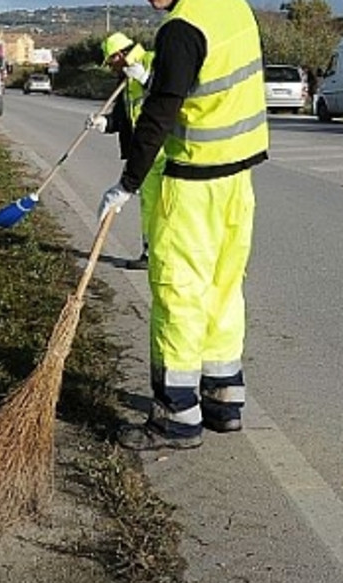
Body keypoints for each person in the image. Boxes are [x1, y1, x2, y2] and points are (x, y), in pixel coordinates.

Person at [96, 0, 269, 450]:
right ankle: (223, 401)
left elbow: (162, 111)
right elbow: (199, 83)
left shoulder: (181, 27)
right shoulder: (234, 9)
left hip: (193, 183)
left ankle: (176, 416)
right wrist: (148, 77)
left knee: (178, 293)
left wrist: (128, 182)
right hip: (238, 180)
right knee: (223, 289)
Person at [87, 32, 166, 270]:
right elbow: (124, 119)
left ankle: (171, 257)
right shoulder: (124, 80)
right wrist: (105, 124)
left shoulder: (153, 60)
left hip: (167, 149)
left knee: (171, 206)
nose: (111, 67)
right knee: (149, 205)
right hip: (143, 153)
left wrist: (146, 79)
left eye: (111, 62)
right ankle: (150, 254)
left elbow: (173, 93)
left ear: (119, 54)